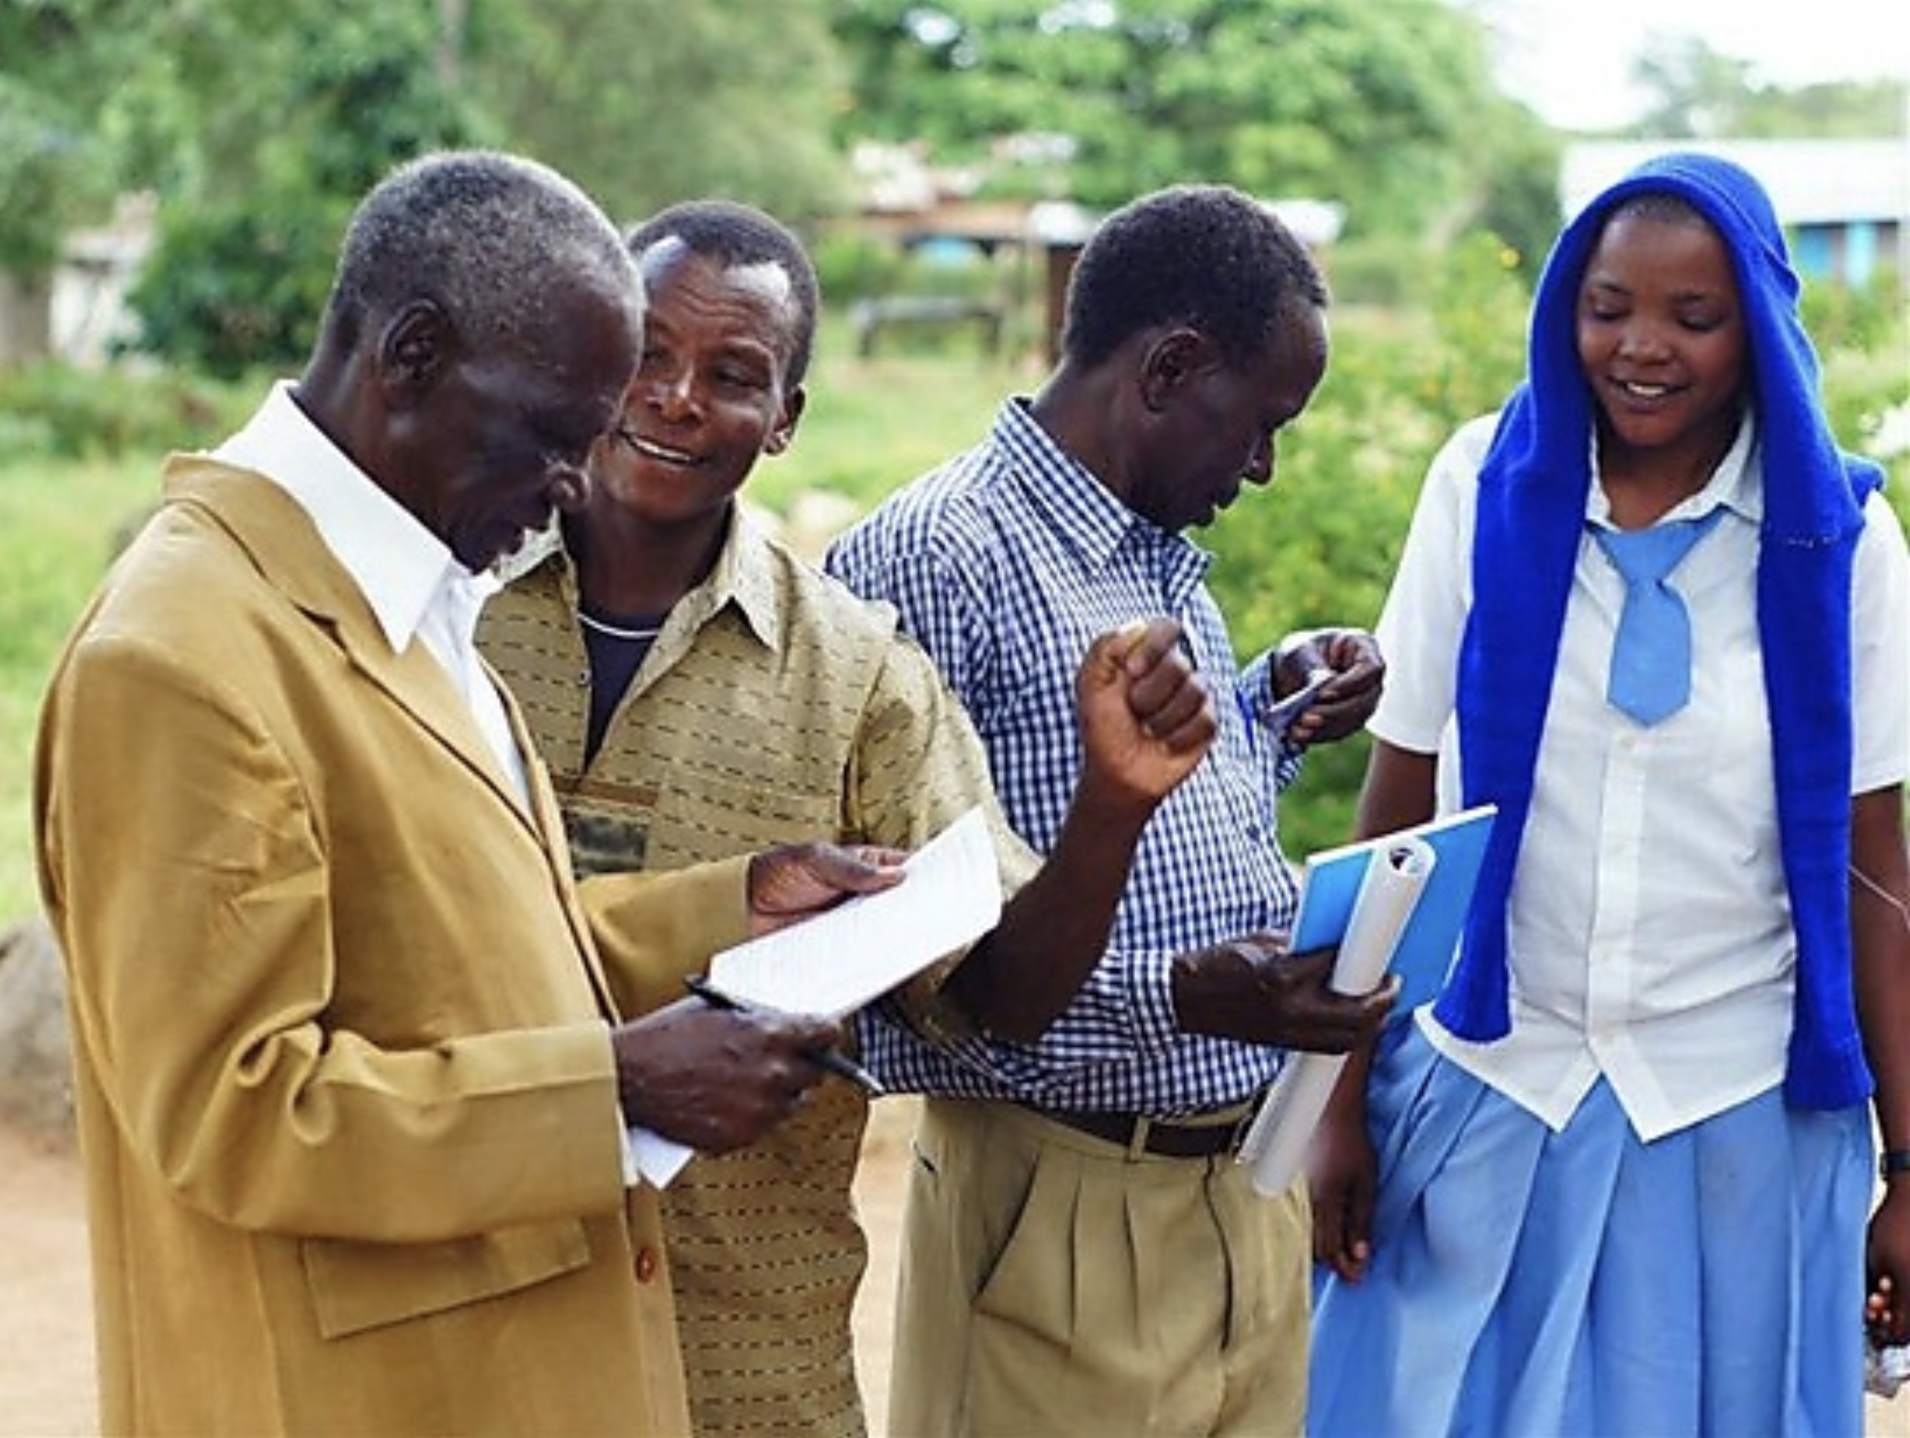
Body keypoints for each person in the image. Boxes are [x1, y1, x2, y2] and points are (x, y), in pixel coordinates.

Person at [31, 151, 917, 1437]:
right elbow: (236, 1107)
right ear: (413, 354)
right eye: (553, 436)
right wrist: (619, 1088)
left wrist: (730, 913)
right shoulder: (179, 657)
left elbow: (458, 951)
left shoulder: (420, 593)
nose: (576, 484)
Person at [477, 197, 1215, 1438]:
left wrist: (1111, 808)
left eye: (731, 375)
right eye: (647, 357)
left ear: (785, 421)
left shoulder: (858, 676)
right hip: (465, 1323)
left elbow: (998, 999)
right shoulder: (449, 621)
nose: (675, 399)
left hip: (744, 1360)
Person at [1306, 151, 1910, 1436]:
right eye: (1605, 306)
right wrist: (1338, 1105)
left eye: (1692, 318)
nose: (1641, 348)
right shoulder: (1481, 487)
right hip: (1492, 1081)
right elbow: (1399, 812)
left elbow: (1872, 871)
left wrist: (1904, 1170)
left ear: (1754, 325)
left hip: (1732, 1107)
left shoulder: (1841, 546)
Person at [825, 183, 1398, 1437]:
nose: (1261, 467)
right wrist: (1189, 993)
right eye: (1259, 425)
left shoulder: (1151, 546)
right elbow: (916, 959)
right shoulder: (933, 556)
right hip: (1058, 1199)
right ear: (1169, 368)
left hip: (1242, 1189)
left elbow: (1139, 804)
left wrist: (1264, 709)